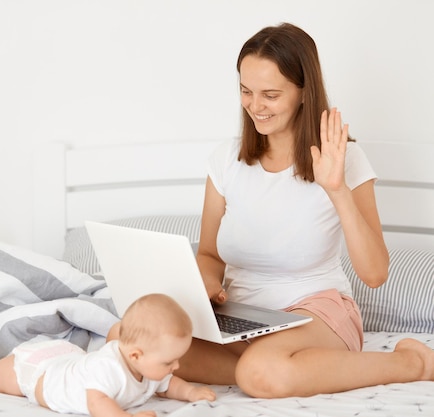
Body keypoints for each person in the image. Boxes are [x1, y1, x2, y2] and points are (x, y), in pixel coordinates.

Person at [106, 22, 434, 398]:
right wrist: (206, 286)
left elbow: (374, 274)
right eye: (246, 91)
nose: (255, 106)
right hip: (242, 321)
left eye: (270, 94)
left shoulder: (345, 159)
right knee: (122, 340)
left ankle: (413, 363)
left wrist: (337, 189)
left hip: (316, 313)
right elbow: (210, 254)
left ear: (304, 92)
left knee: (258, 369)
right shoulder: (226, 161)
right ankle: (268, 369)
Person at [0, 293, 216, 417]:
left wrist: (191, 393)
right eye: (170, 361)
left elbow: (169, 386)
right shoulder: (108, 368)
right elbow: (97, 403)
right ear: (135, 356)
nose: (176, 366)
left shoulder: (150, 367)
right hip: (41, 373)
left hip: (70, 358)